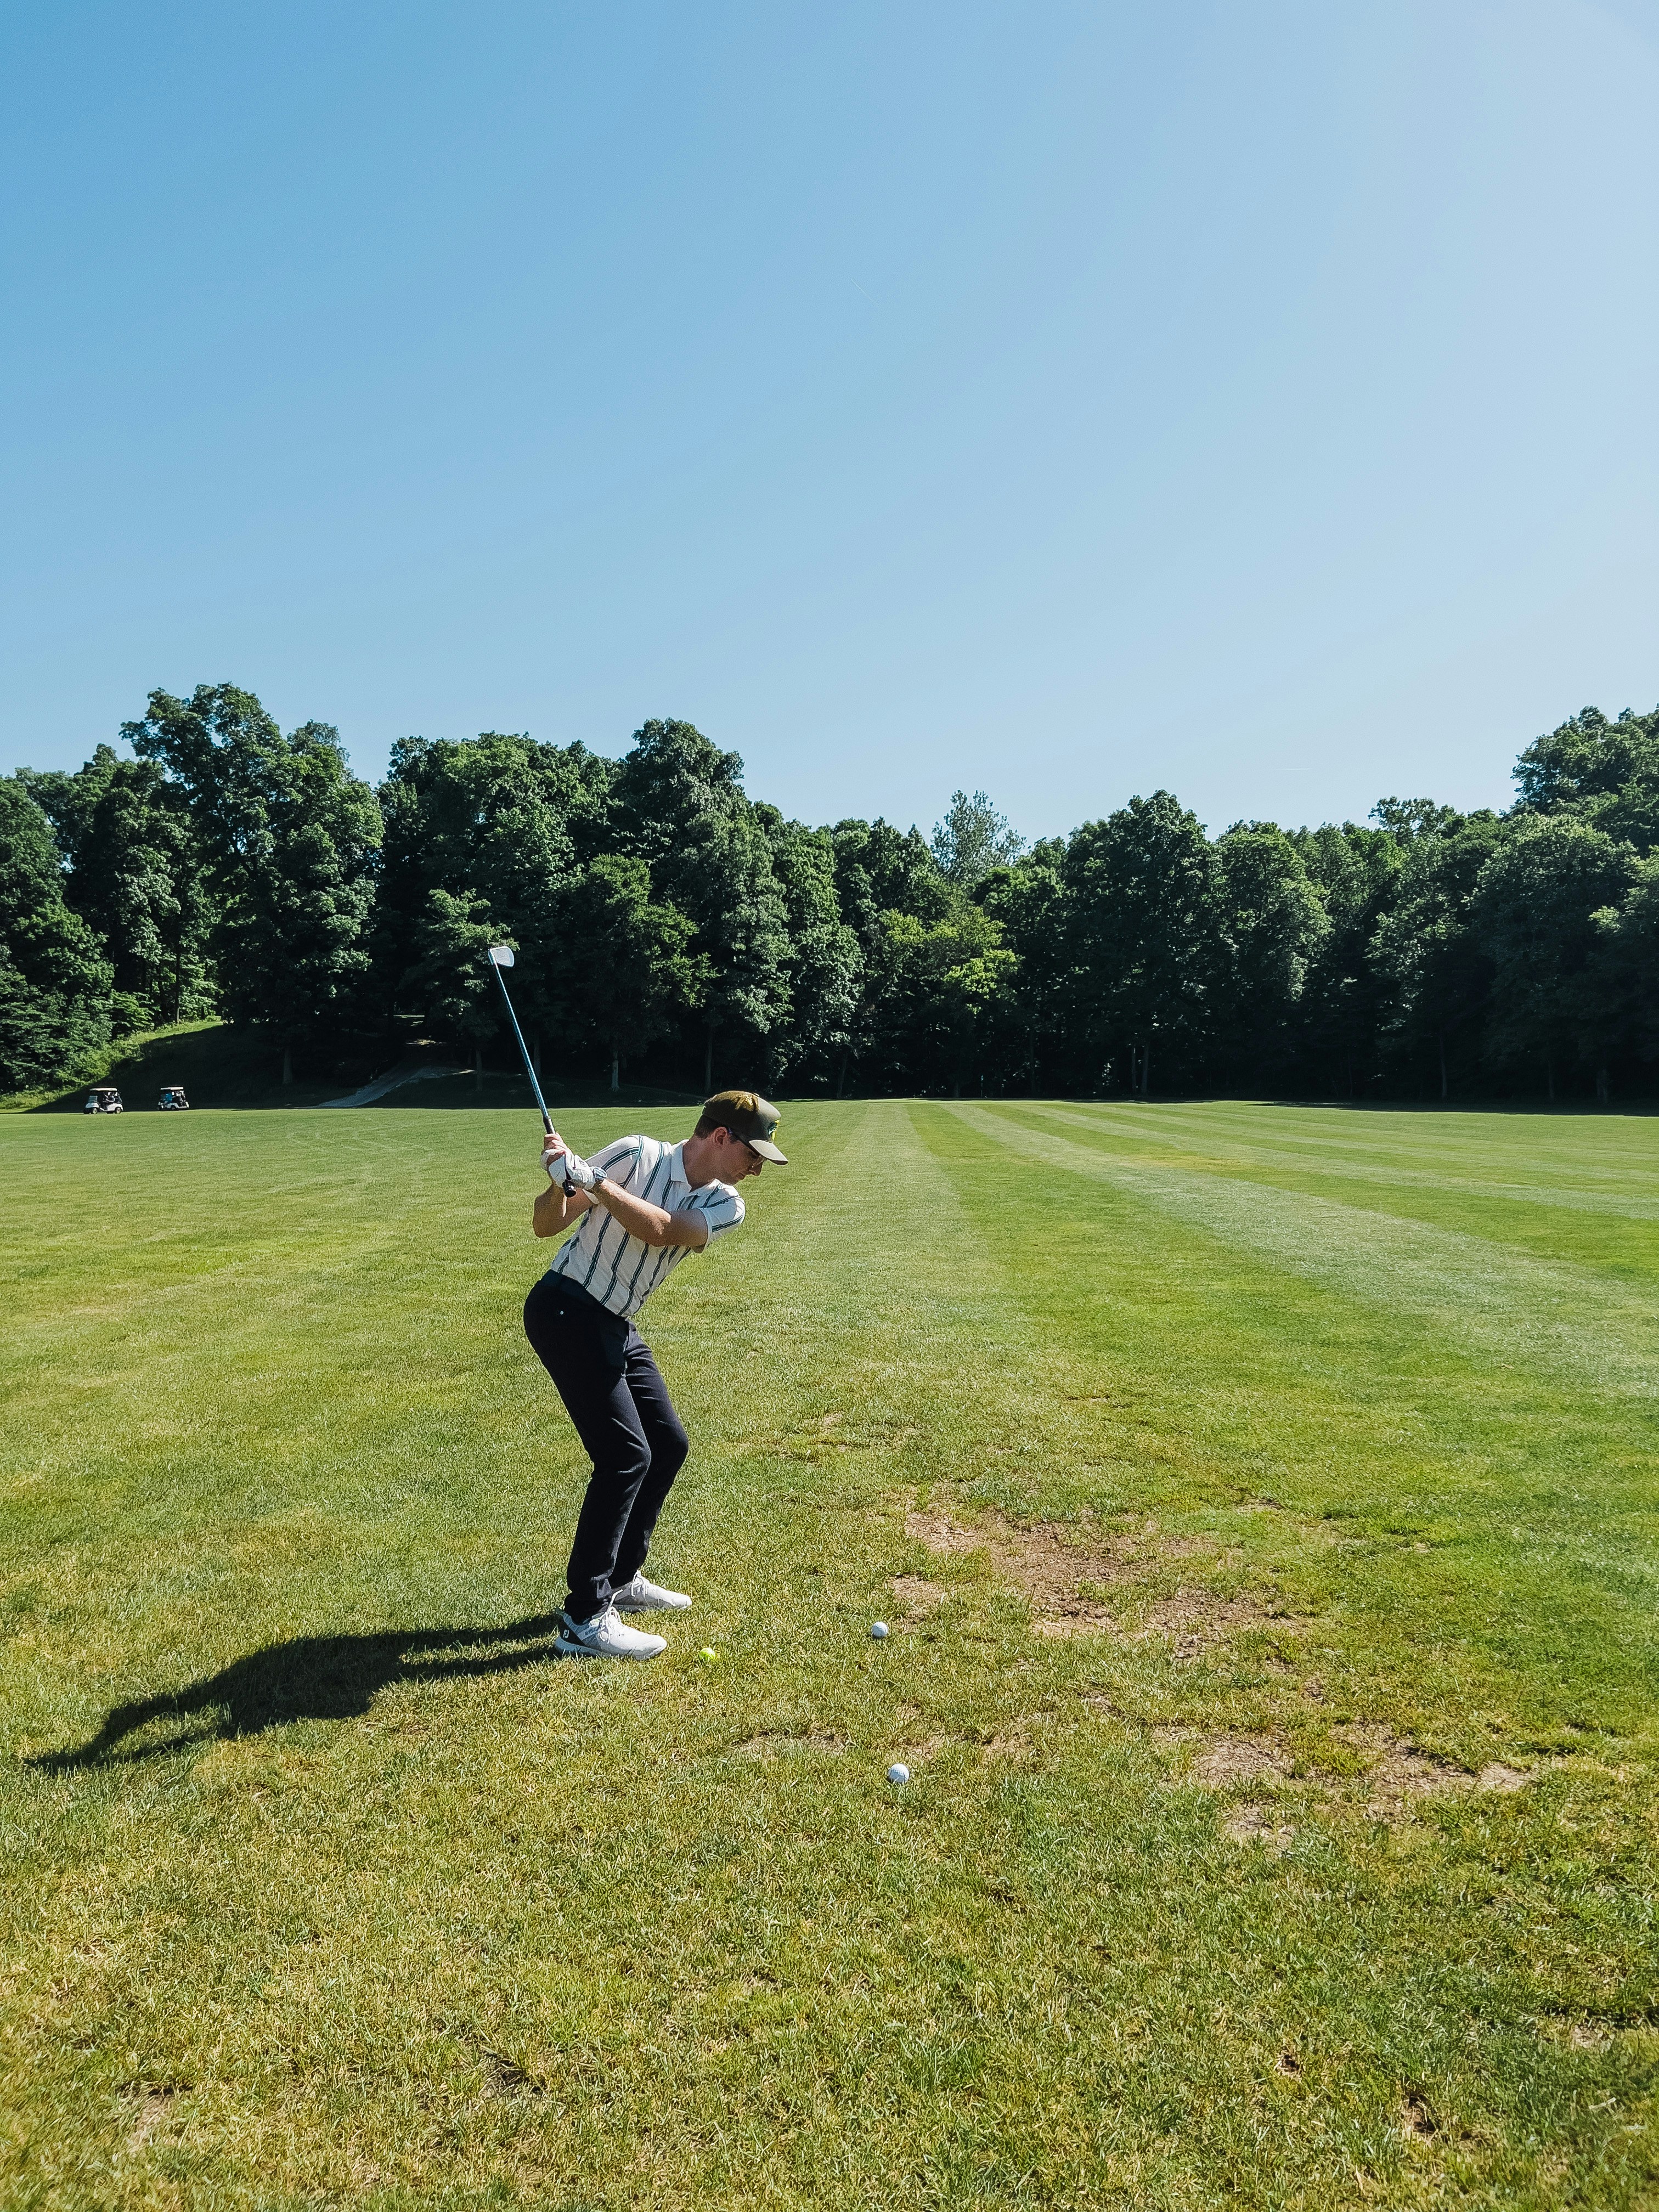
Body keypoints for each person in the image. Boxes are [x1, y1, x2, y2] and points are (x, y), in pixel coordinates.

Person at [523, 1089, 787, 1659]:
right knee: (625, 1457)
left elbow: (664, 1229)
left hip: (614, 1320)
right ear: (721, 1137)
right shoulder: (634, 1155)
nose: (758, 1168)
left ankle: (620, 1578)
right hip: (566, 1308)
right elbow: (547, 1226)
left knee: (666, 1444)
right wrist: (559, 1180)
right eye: (754, 1154)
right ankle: (585, 1617)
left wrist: (594, 1182)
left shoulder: (727, 1203)